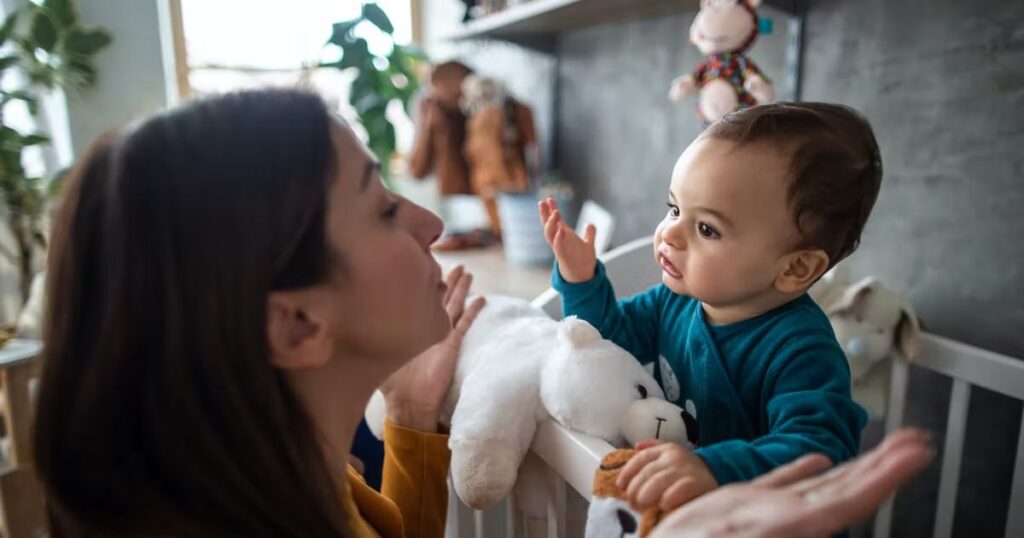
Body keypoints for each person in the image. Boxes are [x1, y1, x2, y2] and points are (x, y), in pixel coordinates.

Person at [33, 88, 484, 537]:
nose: (432, 224)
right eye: (385, 210)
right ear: (295, 326)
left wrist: (409, 409)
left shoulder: (273, 479)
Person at [539, 102, 882, 512]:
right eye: (674, 209)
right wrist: (582, 281)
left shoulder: (801, 350)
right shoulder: (675, 302)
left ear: (796, 267)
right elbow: (609, 341)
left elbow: (820, 451)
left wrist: (715, 468)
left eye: (706, 228)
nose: (670, 234)